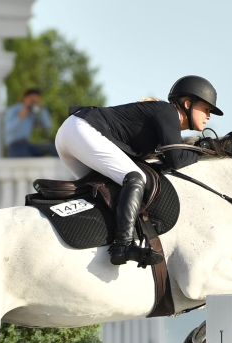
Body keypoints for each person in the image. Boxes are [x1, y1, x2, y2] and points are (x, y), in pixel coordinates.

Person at [55, 75, 221, 266]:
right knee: (134, 177)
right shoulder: (168, 112)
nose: (208, 116)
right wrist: (203, 151)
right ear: (187, 103)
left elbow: (167, 161)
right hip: (82, 129)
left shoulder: (165, 123)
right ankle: (123, 245)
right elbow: (176, 160)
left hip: (71, 134)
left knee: (106, 189)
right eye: (206, 109)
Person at [5, 88, 56, 158]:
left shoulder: (32, 114)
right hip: (15, 147)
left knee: (54, 147)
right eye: (32, 100)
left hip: (27, 146)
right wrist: (20, 117)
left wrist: (42, 108)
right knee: (27, 159)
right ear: (25, 98)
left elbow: (47, 125)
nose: (33, 103)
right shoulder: (13, 110)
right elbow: (7, 129)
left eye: (35, 101)